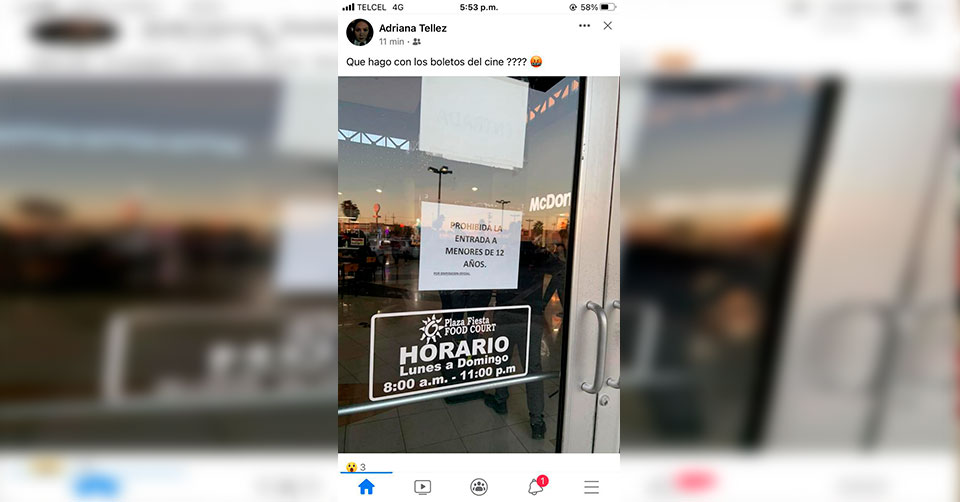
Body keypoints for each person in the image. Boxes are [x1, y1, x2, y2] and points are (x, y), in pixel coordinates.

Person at [484, 241, 564, 440]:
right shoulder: (539, 254)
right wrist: (544, 300)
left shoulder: (504, 252)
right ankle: (537, 421)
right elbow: (561, 271)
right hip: (531, 316)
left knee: (501, 361)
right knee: (532, 368)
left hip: (504, 314)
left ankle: (501, 400)